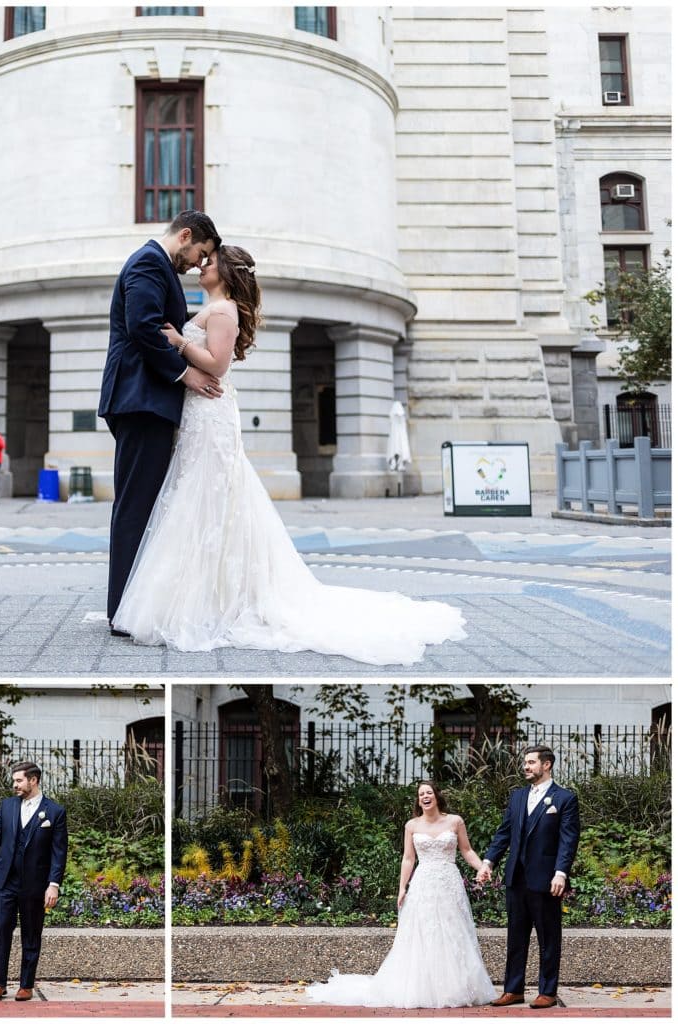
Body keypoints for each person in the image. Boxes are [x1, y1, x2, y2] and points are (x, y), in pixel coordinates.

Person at [111, 244, 466, 665]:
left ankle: (204, 600)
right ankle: (201, 594)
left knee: (206, 498)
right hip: (199, 412)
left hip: (209, 411)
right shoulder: (215, 306)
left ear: (225, 271)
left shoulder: (223, 310)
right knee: (197, 500)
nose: (202, 264)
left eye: (210, 259)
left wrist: (179, 344)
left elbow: (218, 364)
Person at [99, 210, 224, 636]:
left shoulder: (155, 265)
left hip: (147, 400)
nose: (197, 264)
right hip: (141, 399)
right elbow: (143, 328)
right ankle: (121, 613)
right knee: (135, 505)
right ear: (185, 235)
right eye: (199, 253)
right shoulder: (149, 262)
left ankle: (130, 605)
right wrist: (187, 374)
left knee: (143, 502)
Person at [307, 781, 495, 1008]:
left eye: (428, 792)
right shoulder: (412, 825)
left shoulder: (455, 821)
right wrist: (402, 888)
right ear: (418, 801)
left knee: (453, 932)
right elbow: (408, 859)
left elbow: (466, 850)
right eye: (420, 794)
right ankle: (422, 989)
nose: (424, 796)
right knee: (423, 932)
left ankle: (455, 988)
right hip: (423, 883)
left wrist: (481, 868)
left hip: (449, 883)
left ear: (436, 796)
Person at [478, 745, 580, 1009]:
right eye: (525, 762)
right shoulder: (517, 797)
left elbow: (568, 840)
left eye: (531, 762)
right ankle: (513, 990)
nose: (526, 766)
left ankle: (547, 991)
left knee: (549, 937)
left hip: (546, 879)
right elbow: (504, 833)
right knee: (515, 937)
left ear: (547, 765)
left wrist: (561, 873)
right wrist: (488, 862)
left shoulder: (564, 799)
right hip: (516, 878)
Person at [0, 762, 68, 1002]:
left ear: (33, 780)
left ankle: (26, 984)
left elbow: (59, 852)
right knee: (1, 929)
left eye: (18, 781)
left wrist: (53, 884)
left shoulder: (54, 812)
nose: (14, 785)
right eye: (14, 781)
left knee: (32, 934)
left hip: (35, 884)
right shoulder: (7, 806)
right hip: (4, 881)